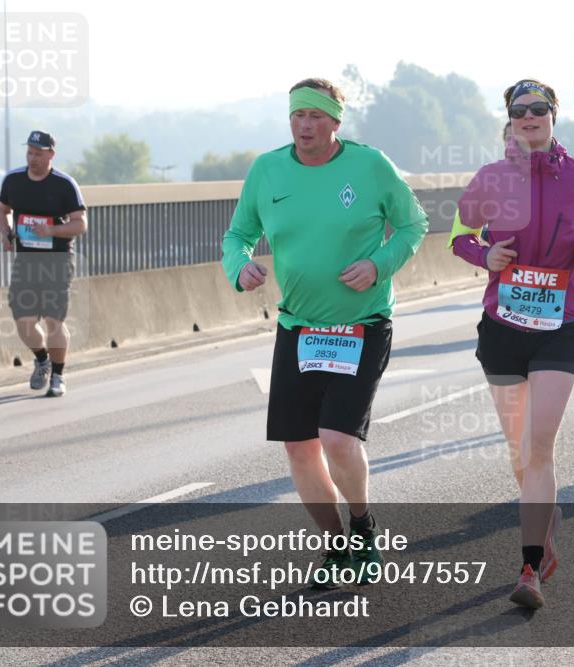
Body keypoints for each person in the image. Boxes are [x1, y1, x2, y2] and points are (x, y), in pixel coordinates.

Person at [222, 78, 428, 588]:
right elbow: (238, 234)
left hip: (362, 325)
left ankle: (362, 523)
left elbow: (413, 224)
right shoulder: (268, 169)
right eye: (297, 116)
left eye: (315, 116)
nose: (305, 125)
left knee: (337, 437)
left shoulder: (370, 166)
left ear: (336, 121)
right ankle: (336, 545)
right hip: (298, 327)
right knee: (299, 447)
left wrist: (378, 265)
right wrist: (239, 266)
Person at [451, 79, 574, 609]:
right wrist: (485, 258)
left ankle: (529, 568)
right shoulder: (491, 178)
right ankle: (544, 520)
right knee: (520, 452)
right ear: (509, 119)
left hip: (560, 325)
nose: (528, 117)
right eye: (518, 110)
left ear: (553, 115)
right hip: (502, 328)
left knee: (538, 445)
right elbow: (458, 235)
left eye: (538, 109)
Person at [0, 131, 87, 397]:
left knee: (53, 320)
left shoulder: (64, 184)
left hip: (57, 260)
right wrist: (5, 232)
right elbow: (3, 211)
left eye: (38, 153)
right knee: (23, 321)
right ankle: (42, 359)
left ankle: (58, 376)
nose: (32, 158)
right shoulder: (13, 180)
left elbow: (81, 223)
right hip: (26, 260)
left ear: (51, 155)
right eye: (29, 153)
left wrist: (52, 231)